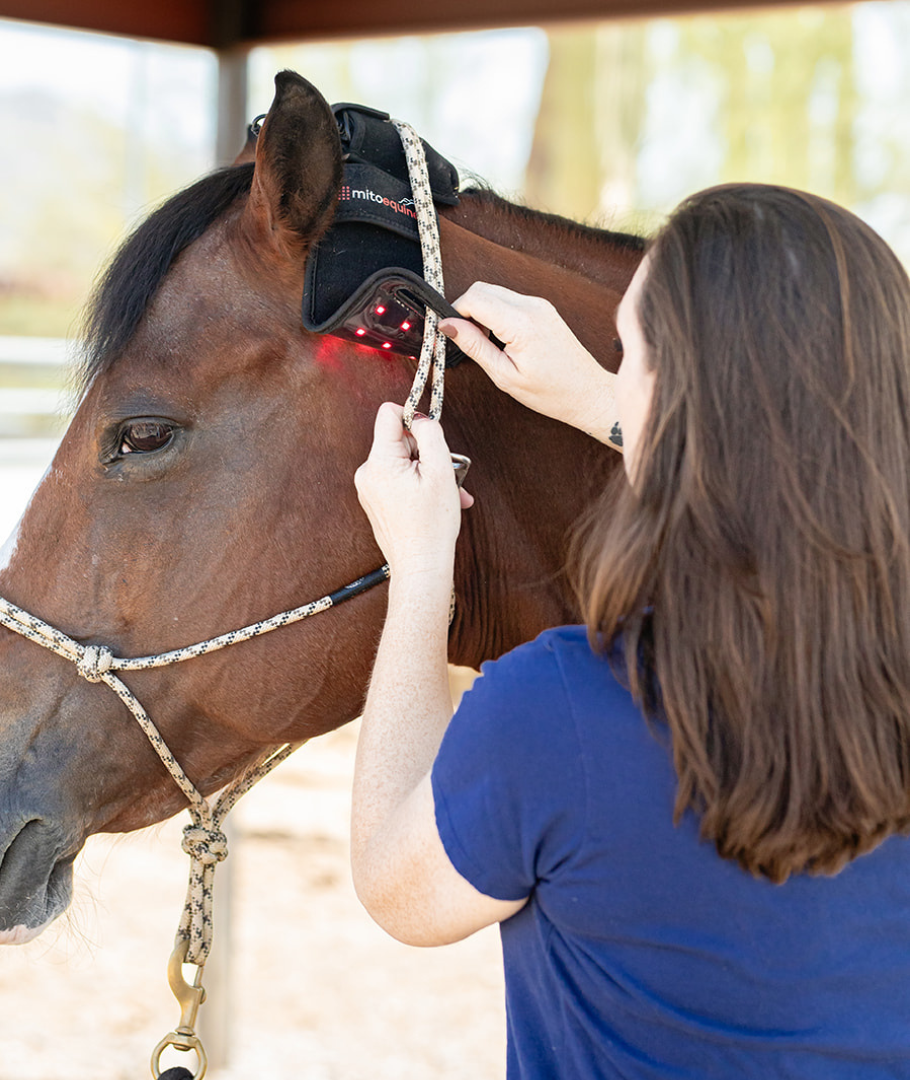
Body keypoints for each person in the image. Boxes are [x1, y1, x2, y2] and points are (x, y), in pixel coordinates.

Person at [351, 182, 910, 1078]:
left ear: (687, 402)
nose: (615, 371)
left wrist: (420, 571)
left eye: (631, 351)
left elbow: (394, 881)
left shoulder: (561, 709)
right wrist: (603, 406)